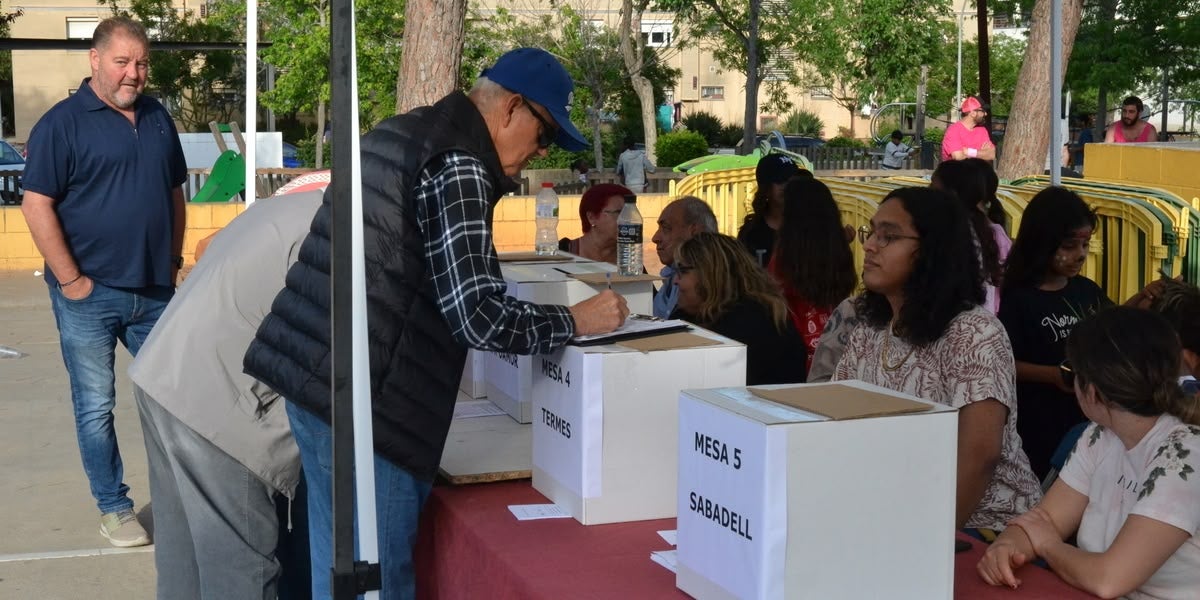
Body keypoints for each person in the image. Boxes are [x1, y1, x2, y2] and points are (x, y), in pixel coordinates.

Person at [242, 47, 628, 599]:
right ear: (511, 108)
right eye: (544, 135)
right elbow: (477, 314)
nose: (542, 152)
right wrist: (573, 320)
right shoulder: (461, 162)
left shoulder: (403, 132)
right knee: (377, 578)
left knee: (342, 567)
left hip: (323, 377)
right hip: (372, 402)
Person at [19, 16, 187, 548]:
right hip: (88, 294)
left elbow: (175, 192)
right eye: (122, 61)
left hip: (155, 291)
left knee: (178, 396)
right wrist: (71, 282)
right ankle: (115, 508)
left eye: (141, 63)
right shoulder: (61, 124)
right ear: (95, 60)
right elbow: (36, 202)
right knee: (95, 405)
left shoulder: (160, 117)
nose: (134, 73)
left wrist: (174, 259)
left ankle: (186, 494)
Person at [130, 191, 321, 599]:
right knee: (239, 571)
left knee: (183, 558)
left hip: (164, 373)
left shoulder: (299, 204)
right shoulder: (341, 234)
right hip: (218, 406)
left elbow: (208, 246)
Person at [833, 187, 1042, 532]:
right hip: (898, 514)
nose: (869, 245)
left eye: (889, 237)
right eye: (873, 233)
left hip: (986, 530)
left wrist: (927, 545)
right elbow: (834, 423)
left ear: (932, 250)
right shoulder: (870, 329)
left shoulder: (974, 333)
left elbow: (980, 457)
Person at [978, 307, 1200, 599]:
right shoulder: (1099, 435)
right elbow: (1046, 518)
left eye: (1071, 373)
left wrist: (1048, 546)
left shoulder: (1184, 454)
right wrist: (1007, 545)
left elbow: (1109, 579)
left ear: (1092, 392)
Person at [998, 187, 1112, 482]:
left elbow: (1110, 326)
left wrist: (1144, 302)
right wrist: (1053, 375)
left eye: (1086, 244)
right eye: (1070, 245)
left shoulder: (1086, 290)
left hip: (1086, 423)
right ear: (1042, 243)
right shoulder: (1015, 299)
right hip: (1038, 429)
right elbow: (1004, 363)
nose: (1081, 254)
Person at [671, 232, 808, 384]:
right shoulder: (693, 315)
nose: (676, 280)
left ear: (710, 274)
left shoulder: (752, 322)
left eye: (682, 271)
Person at [768, 177, 857, 372]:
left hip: (797, 350)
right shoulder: (838, 247)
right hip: (838, 345)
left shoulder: (786, 254)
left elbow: (773, 297)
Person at [931, 160, 1006, 314]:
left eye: (933, 187)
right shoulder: (973, 229)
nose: (927, 191)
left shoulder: (957, 234)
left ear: (952, 194)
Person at [650, 195, 718, 318]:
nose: (655, 238)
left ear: (694, 232)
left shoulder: (711, 285)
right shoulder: (671, 274)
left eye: (666, 228)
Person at [737, 154, 805, 266]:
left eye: (794, 181)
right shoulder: (751, 233)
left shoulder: (811, 227)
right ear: (765, 189)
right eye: (781, 181)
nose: (788, 186)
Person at [557, 183, 631, 263]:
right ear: (591, 217)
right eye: (619, 213)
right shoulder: (561, 253)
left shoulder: (629, 257)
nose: (627, 220)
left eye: (629, 213)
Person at [941, 96, 995, 162]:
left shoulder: (982, 130)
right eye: (982, 111)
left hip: (978, 172)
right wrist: (981, 154)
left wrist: (967, 151)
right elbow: (958, 157)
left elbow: (991, 155)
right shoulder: (954, 130)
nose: (985, 114)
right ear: (973, 113)